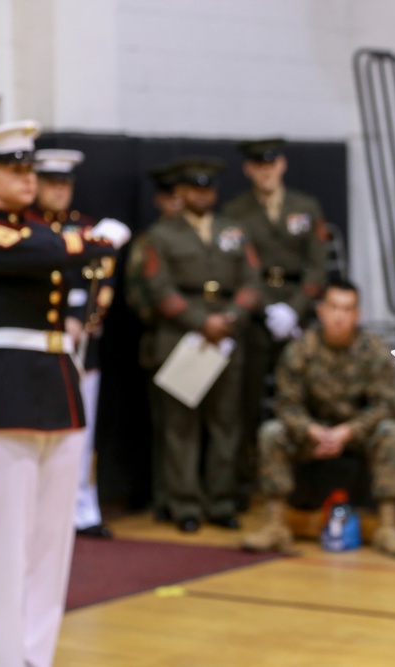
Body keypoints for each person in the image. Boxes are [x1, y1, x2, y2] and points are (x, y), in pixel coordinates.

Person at [0, 121, 130, 667]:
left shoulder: (40, 233)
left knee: (53, 543)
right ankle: (8, 658)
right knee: (8, 543)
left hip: (59, 388)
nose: (27, 179)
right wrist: (94, 240)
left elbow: (71, 254)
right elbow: (60, 249)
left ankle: (37, 654)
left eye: (30, 168)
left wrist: (88, 245)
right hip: (7, 394)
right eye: (14, 169)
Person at [241, 280, 395, 558]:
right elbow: (286, 405)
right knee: (271, 432)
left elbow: (387, 404)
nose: (339, 316)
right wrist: (312, 430)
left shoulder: (373, 349)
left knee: (391, 431)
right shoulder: (301, 349)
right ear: (321, 311)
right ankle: (275, 524)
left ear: (357, 315)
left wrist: (348, 432)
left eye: (347, 309)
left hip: (356, 434)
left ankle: (387, 526)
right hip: (312, 434)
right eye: (333, 307)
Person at [143, 157, 262, 533]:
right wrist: (200, 321)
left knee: (227, 423)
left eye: (208, 188)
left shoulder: (233, 230)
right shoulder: (160, 235)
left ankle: (221, 500)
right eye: (194, 189)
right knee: (181, 427)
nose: (202, 195)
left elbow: (252, 281)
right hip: (182, 337)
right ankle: (184, 503)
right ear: (180, 193)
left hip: (227, 336)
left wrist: (230, 318)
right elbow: (158, 288)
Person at [221, 138, 329, 509]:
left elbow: (318, 265)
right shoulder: (235, 211)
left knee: (304, 395)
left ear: (281, 165)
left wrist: (295, 310)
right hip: (256, 312)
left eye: (271, 164)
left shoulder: (305, 207)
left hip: (298, 312)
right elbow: (237, 265)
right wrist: (265, 308)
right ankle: (244, 480)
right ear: (248, 170)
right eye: (257, 166)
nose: (265, 171)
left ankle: (303, 483)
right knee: (246, 399)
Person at [26, 148, 116, 539]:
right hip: (36, 345)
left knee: (84, 430)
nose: (59, 191)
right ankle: (38, 509)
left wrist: (84, 322)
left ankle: (83, 508)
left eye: (65, 183)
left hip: (81, 348)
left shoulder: (87, 229)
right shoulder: (25, 230)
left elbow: (103, 285)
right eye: (51, 183)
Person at [122, 163, 183, 523]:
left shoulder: (205, 235)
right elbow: (137, 295)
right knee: (168, 426)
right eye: (171, 196)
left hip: (207, 340)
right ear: (160, 200)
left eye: (183, 195)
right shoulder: (148, 241)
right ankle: (166, 497)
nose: (178, 202)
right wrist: (168, 322)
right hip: (166, 338)